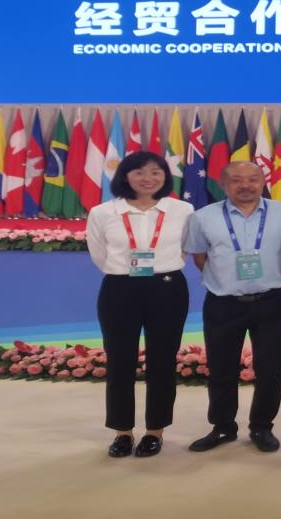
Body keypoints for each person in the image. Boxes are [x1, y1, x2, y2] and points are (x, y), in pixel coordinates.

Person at [183, 162, 281, 454]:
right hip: (223, 304)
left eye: (253, 179)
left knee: (270, 369)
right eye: (236, 180)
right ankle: (222, 427)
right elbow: (200, 257)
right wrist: (224, 281)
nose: (245, 185)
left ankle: (262, 426)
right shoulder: (203, 217)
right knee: (221, 369)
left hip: (272, 303)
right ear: (223, 184)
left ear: (263, 181)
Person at [86, 151, 194, 458]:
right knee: (119, 361)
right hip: (120, 288)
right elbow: (99, 253)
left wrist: (161, 268)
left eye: (156, 172)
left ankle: (155, 431)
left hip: (167, 288)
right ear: (125, 176)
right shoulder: (103, 212)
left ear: (165, 177)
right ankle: (122, 431)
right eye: (139, 172)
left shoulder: (182, 210)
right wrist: (124, 273)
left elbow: (186, 248)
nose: (148, 178)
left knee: (163, 361)